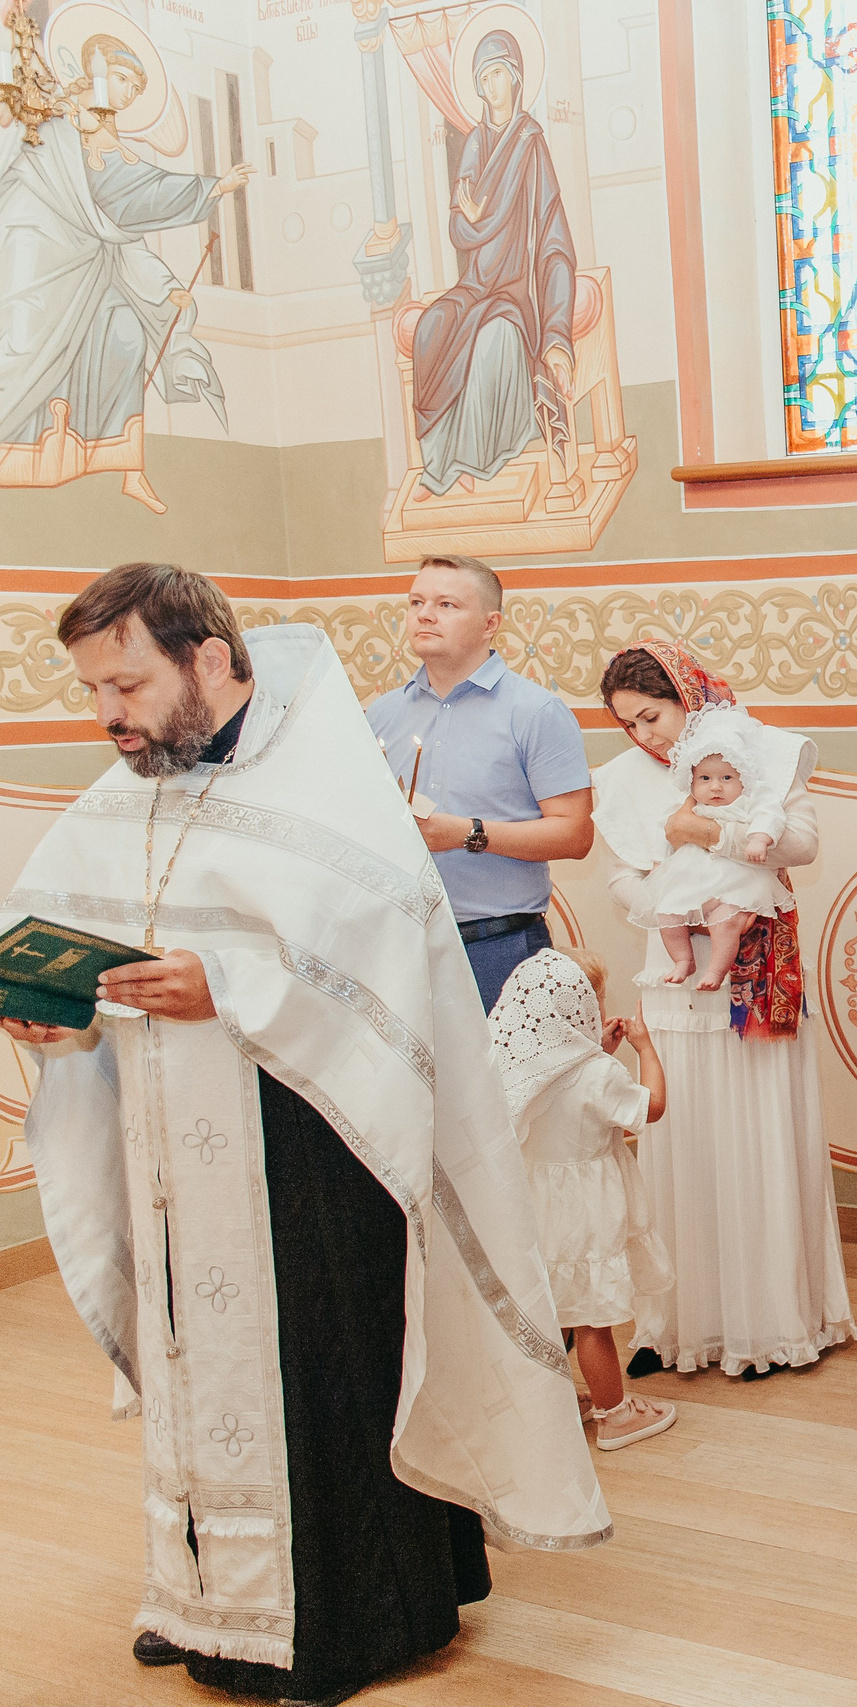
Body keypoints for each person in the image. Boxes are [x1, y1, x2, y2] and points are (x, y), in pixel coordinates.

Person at [5, 563, 606, 1707]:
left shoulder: (326, 779)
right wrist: (52, 1012)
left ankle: (351, 1613)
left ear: (211, 659)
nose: (108, 718)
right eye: (93, 692)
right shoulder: (127, 788)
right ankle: (201, 1593)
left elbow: (382, 964)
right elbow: (64, 927)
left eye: (125, 685)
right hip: (172, 1149)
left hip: (317, 1141)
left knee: (322, 1366)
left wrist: (226, 984)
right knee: (194, 1364)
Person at [594, 641, 856, 1380]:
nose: (646, 737)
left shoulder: (758, 751)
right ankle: (681, 1324)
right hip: (675, 979)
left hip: (757, 972)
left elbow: (798, 843)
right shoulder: (621, 781)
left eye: (653, 716)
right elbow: (624, 880)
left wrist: (705, 834)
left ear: (689, 697)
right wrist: (677, 902)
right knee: (690, 1143)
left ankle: (771, 1320)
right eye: (630, 725)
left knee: (758, 1134)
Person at [0, 30, 251, 510]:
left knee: (126, 333)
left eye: (135, 89)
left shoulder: (98, 127)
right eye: (122, 79)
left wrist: (162, 288)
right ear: (96, 72)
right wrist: (213, 188)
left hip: (89, 262)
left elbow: (127, 200)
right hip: (32, 243)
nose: (128, 94)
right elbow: (123, 193)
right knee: (21, 342)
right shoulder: (60, 113)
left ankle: (123, 464)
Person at [365, 554, 594, 1009]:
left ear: (491, 624)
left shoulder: (535, 712)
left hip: (500, 946)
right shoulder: (381, 713)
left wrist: (466, 834)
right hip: (400, 944)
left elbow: (575, 834)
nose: (425, 614)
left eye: (447, 604)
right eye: (416, 602)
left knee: (511, 1083)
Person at [491, 947, 677, 1452]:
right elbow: (651, 1107)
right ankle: (615, 1415)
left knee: (549, 1307)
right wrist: (644, 1049)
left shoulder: (518, 1071)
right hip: (586, 1212)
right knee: (594, 1319)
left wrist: (600, 1050)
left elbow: (562, 1098)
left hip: (536, 1209)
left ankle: (545, 1405)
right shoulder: (599, 1075)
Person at [410, 28, 579, 496]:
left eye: (499, 74)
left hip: (513, 292)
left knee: (495, 338)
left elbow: (554, 241)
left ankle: (461, 465)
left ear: (517, 79)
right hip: (476, 284)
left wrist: (557, 336)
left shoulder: (530, 143)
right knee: (431, 327)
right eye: (483, 78)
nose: (491, 87)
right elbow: (458, 230)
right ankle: (443, 457)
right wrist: (475, 218)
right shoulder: (474, 144)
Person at [635, 704, 808, 990]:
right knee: (667, 912)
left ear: (743, 778)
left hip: (736, 881)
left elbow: (770, 815)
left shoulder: (750, 799)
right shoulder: (688, 805)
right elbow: (665, 833)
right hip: (692, 880)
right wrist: (659, 866)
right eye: (705, 778)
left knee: (725, 922)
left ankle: (716, 970)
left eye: (726, 778)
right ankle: (683, 960)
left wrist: (759, 838)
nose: (715, 787)